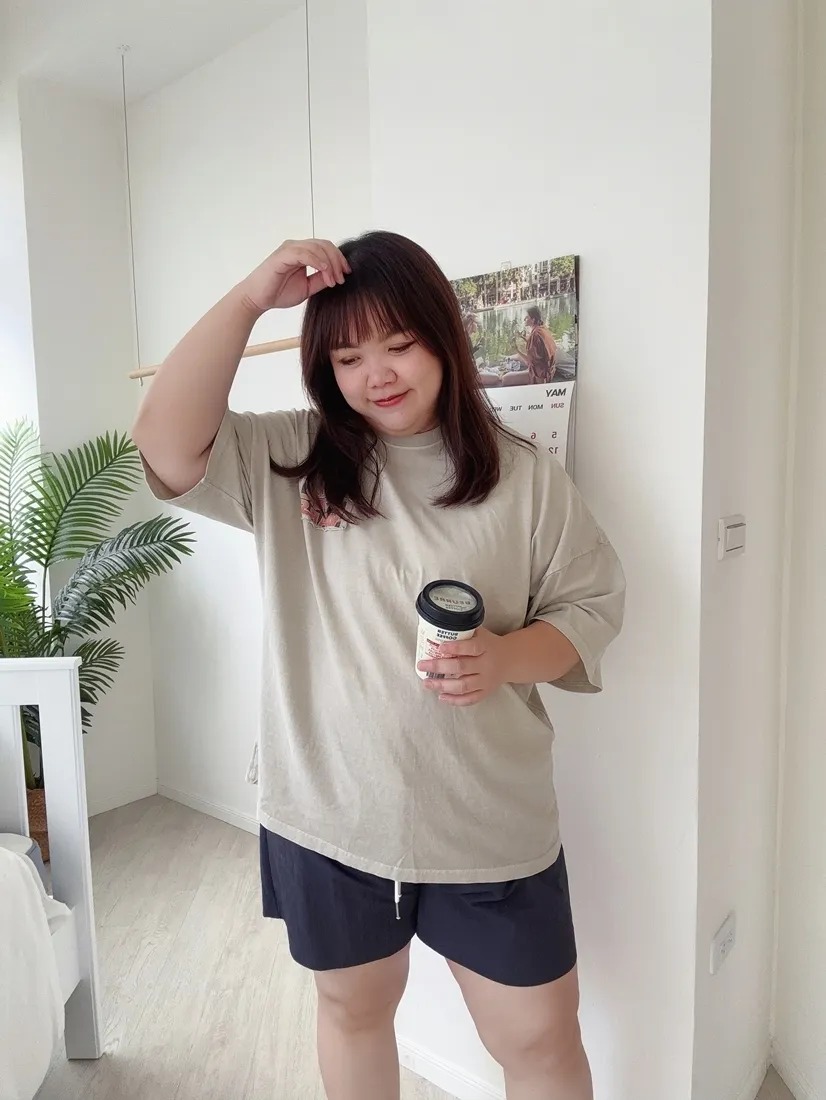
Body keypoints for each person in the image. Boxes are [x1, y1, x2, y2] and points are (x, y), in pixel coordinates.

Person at [133, 231, 625, 1100]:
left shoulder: (524, 477)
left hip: (488, 821)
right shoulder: (292, 459)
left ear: (443, 337)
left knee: (542, 1041)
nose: (377, 375)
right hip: (330, 815)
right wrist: (249, 299)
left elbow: (589, 609)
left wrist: (505, 657)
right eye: (349, 357)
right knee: (353, 1012)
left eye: (397, 344)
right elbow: (163, 442)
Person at [509, 305, 558, 386]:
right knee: (518, 356)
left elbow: (529, 360)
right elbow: (539, 346)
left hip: (540, 375)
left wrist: (516, 349)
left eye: (527, 317)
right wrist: (524, 338)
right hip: (549, 370)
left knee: (506, 379)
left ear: (533, 319)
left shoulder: (535, 335)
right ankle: (505, 358)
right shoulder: (542, 328)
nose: (524, 319)